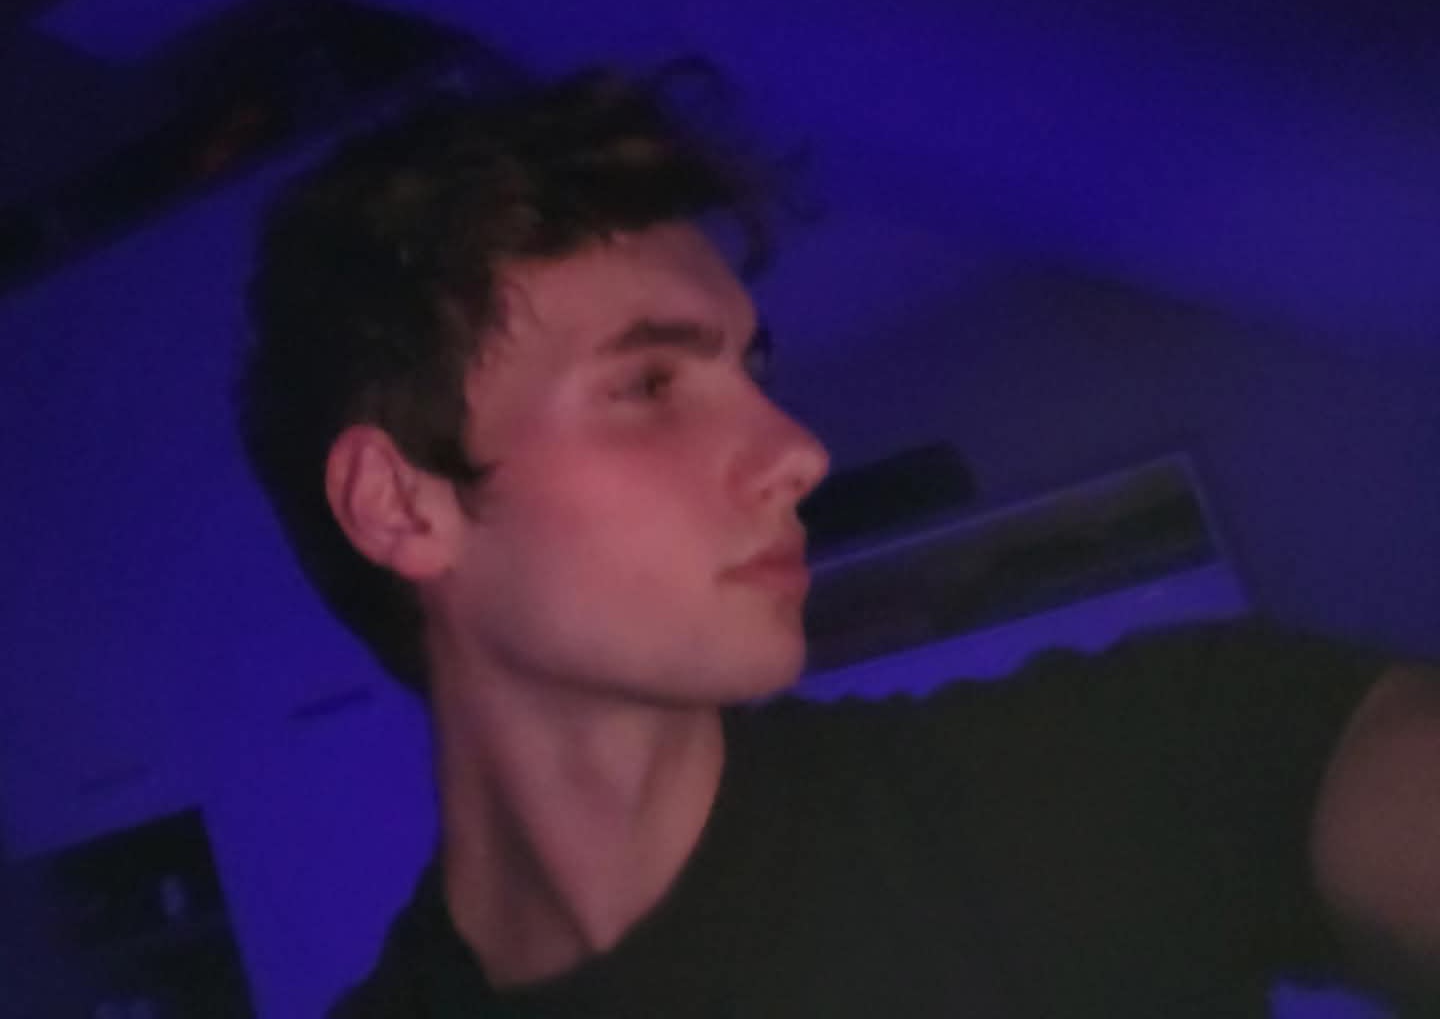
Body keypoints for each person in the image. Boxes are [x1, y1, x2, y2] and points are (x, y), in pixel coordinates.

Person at [235, 63, 1440, 1017]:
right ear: (401, 507)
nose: (800, 450)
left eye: (753, 370)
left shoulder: (1115, 786)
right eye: (649, 384)